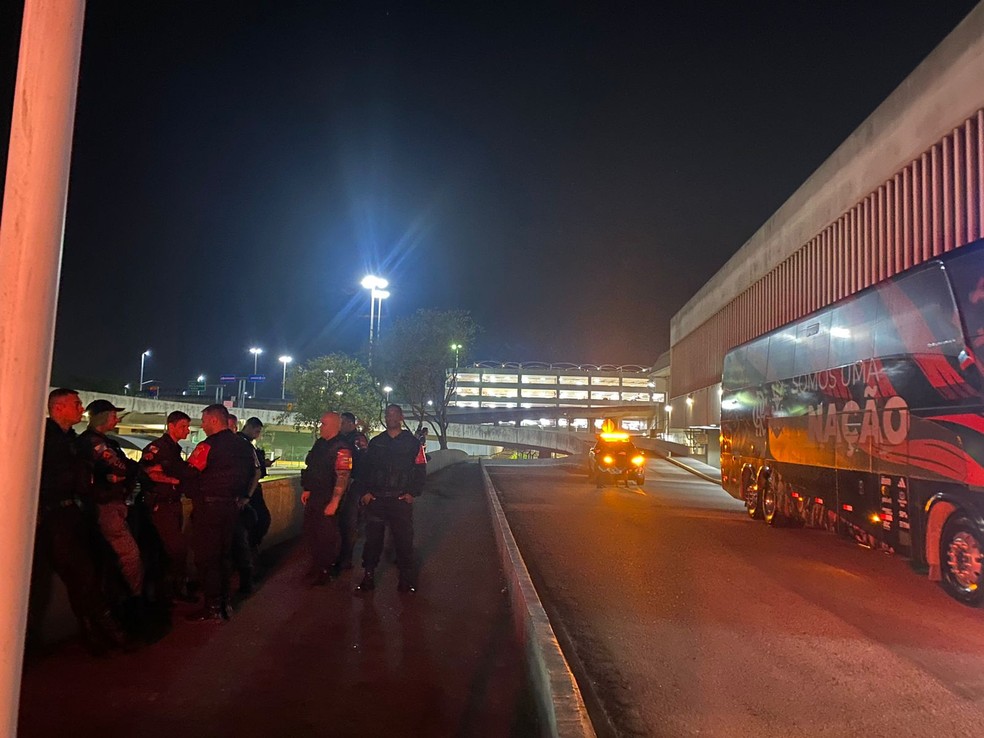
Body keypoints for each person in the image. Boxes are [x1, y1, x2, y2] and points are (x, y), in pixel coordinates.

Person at [36, 388, 126, 654]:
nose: (81, 407)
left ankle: (95, 633)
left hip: (75, 514)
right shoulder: (43, 437)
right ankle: (107, 632)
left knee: (89, 574)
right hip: (53, 517)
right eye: (76, 404)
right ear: (58, 408)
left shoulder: (72, 440)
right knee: (82, 575)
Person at [185, 404, 259, 621]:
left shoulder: (207, 446)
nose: (203, 425)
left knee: (208, 558)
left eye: (205, 420)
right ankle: (225, 602)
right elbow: (253, 474)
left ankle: (213, 606)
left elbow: (190, 473)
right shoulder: (244, 447)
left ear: (215, 420)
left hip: (209, 509)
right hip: (232, 508)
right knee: (225, 555)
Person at [77, 399, 143, 600]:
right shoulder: (93, 443)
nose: (116, 420)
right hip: (105, 506)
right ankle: (131, 601)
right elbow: (121, 467)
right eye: (113, 415)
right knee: (130, 557)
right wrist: (124, 473)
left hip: (110, 504)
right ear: (102, 417)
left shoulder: (107, 442)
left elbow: (128, 468)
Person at [356, 404, 427, 594]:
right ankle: (368, 576)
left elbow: (420, 470)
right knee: (372, 541)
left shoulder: (413, 444)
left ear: (401, 417)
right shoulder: (376, 442)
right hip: (377, 500)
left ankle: (405, 579)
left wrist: (412, 493)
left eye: (394, 414)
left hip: (400, 500)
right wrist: (365, 493)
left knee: (404, 541)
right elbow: (365, 470)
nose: (390, 417)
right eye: (387, 414)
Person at [138, 410, 194, 603]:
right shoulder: (157, 448)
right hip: (160, 505)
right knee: (176, 549)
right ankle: (174, 591)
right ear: (171, 426)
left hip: (173, 504)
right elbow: (148, 473)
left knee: (169, 551)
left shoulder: (174, 450)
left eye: (188, 426)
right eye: (183, 427)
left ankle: (168, 592)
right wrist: (175, 481)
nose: (187, 431)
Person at [300, 412, 354, 586]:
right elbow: (312, 467)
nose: (320, 427)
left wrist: (335, 502)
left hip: (328, 497)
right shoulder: (320, 444)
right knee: (312, 534)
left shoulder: (342, 448)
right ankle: (315, 567)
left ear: (333, 426)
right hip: (315, 495)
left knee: (326, 537)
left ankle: (324, 571)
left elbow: (343, 477)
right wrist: (307, 488)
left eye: (323, 424)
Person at [334, 411, 368, 575]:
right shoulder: (339, 439)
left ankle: (345, 559)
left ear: (349, 423)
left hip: (353, 485)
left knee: (349, 522)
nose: (340, 425)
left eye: (342, 422)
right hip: (338, 484)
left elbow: (363, 463)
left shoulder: (357, 440)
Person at [239, 417, 272, 549]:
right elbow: (256, 471)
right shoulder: (244, 444)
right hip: (248, 491)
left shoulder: (244, 443)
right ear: (249, 427)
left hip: (246, 491)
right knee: (261, 520)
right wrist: (248, 495)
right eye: (256, 431)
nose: (257, 435)